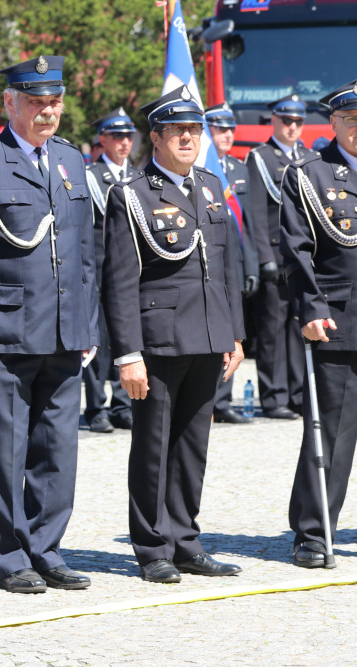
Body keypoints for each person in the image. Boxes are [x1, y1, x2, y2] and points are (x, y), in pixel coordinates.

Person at [0, 55, 98, 593]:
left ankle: (48, 547)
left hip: (63, 330)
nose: (47, 111)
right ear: (9, 103)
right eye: (35, 102)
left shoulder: (70, 160)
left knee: (58, 450)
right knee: (7, 451)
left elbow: (84, 253)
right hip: (4, 331)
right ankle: (11, 556)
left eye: (54, 101)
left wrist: (88, 325)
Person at [102, 88, 246, 584]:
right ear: (157, 137)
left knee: (192, 446)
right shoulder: (132, 193)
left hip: (208, 335)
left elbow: (226, 265)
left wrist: (235, 333)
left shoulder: (208, 185)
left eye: (194, 130)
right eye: (177, 131)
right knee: (153, 445)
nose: (188, 137)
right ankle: (151, 546)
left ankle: (186, 541)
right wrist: (127, 353)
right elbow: (119, 280)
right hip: (158, 338)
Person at [281, 79, 357, 569]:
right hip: (340, 320)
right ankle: (313, 531)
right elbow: (295, 248)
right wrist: (310, 308)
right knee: (330, 432)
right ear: (333, 122)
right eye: (351, 120)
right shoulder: (310, 174)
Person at [246, 93, 317, 420]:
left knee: (299, 327)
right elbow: (256, 212)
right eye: (287, 121)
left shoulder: (309, 157)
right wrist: (264, 258)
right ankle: (274, 397)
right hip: (275, 254)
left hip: (302, 257)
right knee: (272, 330)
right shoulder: (260, 157)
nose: (292, 127)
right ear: (274, 120)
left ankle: (299, 395)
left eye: (298, 121)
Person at [82, 107, 138, 434]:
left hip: (129, 276)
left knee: (124, 340)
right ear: (103, 140)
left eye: (128, 136)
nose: (124, 143)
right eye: (117, 136)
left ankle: (122, 403)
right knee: (98, 343)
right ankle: (95, 407)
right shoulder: (92, 177)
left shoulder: (138, 176)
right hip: (99, 274)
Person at [205, 102, 259, 424]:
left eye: (230, 129)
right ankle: (206, 402)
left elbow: (249, 225)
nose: (227, 134)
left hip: (235, 263)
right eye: (220, 128)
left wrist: (251, 266)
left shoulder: (239, 169)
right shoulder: (202, 166)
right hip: (209, 264)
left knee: (232, 335)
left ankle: (223, 401)